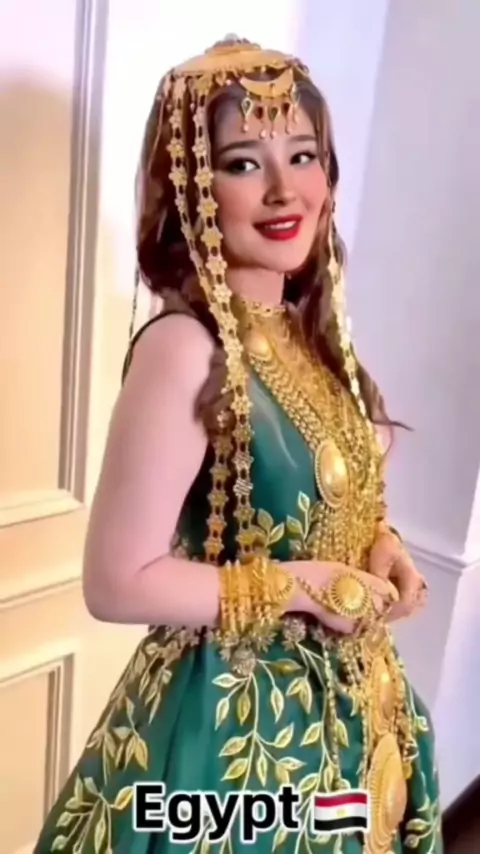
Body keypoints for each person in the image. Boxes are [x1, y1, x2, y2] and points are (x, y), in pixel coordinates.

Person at [33, 36, 443, 854]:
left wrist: (381, 546)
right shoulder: (185, 347)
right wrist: (303, 586)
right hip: (236, 740)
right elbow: (117, 581)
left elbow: (326, 503)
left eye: (303, 155)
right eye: (244, 163)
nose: (285, 189)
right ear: (191, 186)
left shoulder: (306, 334)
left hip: (351, 720)